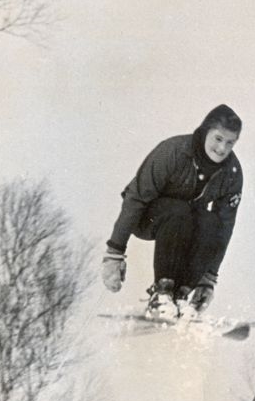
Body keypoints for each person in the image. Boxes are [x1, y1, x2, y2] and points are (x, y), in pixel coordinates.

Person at [101, 104, 244, 320]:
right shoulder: (174, 151)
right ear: (206, 131)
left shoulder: (232, 173)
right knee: (179, 210)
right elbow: (136, 198)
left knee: (210, 222)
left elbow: (225, 227)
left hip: (186, 223)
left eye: (230, 143)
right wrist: (114, 253)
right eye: (218, 138)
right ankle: (162, 293)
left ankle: (182, 295)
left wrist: (208, 278)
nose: (222, 148)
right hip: (150, 217)